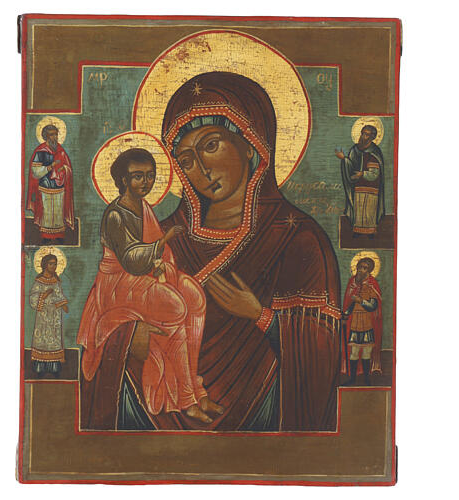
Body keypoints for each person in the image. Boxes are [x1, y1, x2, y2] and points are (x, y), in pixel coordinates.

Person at [80, 72, 342, 432]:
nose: (202, 170)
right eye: (186, 160)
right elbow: (103, 315)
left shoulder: (297, 237)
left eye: (212, 145)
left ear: (250, 142)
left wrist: (261, 316)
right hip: (151, 424)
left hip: (261, 424)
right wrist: (129, 340)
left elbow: (323, 351)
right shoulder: (160, 234)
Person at [78, 148, 223, 424]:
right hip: (119, 284)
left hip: (144, 275)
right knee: (176, 307)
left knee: (194, 296)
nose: (145, 182)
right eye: (137, 176)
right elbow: (131, 261)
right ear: (123, 180)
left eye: (150, 176)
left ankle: (196, 389)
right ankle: (185, 399)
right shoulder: (116, 215)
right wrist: (163, 240)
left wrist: (161, 264)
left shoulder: (144, 207)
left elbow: (154, 255)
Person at [27, 124, 75, 243]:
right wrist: (49, 167)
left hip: (59, 188)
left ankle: (59, 236)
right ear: (46, 136)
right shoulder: (40, 152)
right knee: (47, 215)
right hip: (45, 188)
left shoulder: (61, 151)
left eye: (56, 134)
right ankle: (46, 237)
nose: (55, 137)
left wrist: (64, 169)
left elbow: (68, 168)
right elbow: (35, 172)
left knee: (58, 214)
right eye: (52, 135)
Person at [336, 125, 385, 237]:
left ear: (372, 137)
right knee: (359, 210)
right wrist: (344, 159)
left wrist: (362, 174)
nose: (363, 136)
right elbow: (351, 166)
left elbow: (375, 173)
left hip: (371, 187)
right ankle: (357, 231)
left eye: (366, 134)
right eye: (363, 133)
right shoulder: (355, 149)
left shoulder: (375, 152)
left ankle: (370, 232)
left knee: (369, 211)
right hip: (358, 186)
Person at [341, 257, 383, 385]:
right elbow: (349, 304)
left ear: (369, 270)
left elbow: (373, 306)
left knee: (366, 352)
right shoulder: (353, 283)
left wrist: (361, 301)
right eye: (360, 267)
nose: (361, 270)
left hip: (367, 322)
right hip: (354, 322)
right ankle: (352, 379)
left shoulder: (372, 285)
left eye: (365, 268)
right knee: (354, 352)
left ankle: (366, 379)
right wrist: (345, 315)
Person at [29, 253, 69, 377]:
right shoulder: (39, 281)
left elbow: (59, 295)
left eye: (55, 264)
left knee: (54, 340)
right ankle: (40, 368)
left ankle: (54, 368)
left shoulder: (56, 281)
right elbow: (33, 299)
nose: (54, 266)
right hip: (43, 317)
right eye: (51, 264)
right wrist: (44, 295)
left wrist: (63, 304)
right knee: (42, 339)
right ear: (45, 265)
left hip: (54, 317)